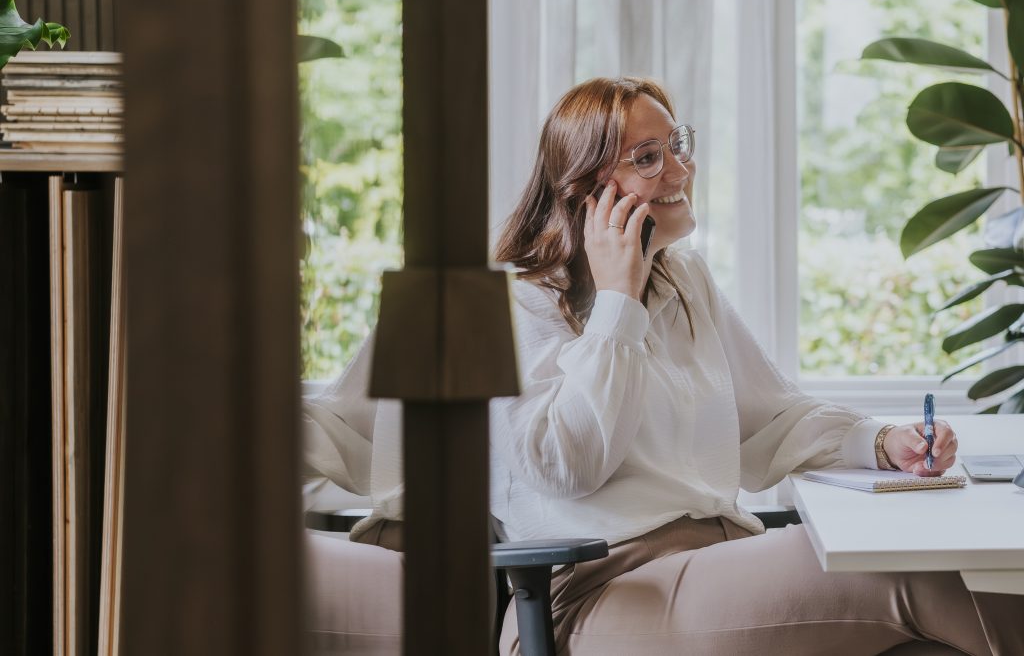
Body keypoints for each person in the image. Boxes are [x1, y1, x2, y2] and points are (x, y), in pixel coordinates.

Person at [302, 76, 1024, 655]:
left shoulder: (683, 281)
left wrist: (880, 440)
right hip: (602, 590)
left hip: (717, 562)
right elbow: (566, 466)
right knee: (922, 572)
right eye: (647, 157)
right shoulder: (514, 302)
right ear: (584, 190)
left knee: (924, 634)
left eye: (676, 145)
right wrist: (616, 305)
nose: (680, 169)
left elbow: (769, 418)